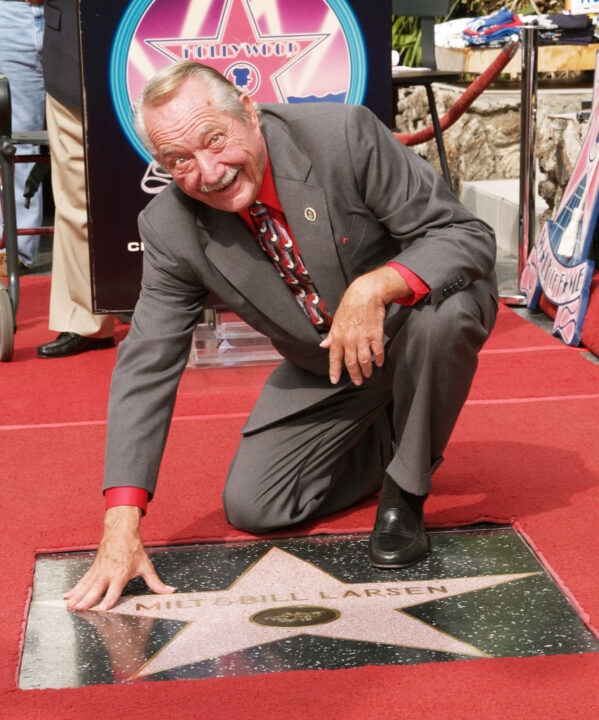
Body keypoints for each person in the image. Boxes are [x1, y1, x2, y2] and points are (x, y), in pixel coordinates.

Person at [65, 61, 497, 611]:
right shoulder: (170, 227)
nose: (210, 171)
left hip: (413, 323)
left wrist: (377, 286)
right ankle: (394, 430)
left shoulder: (343, 134)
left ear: (249, 111)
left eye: (215, 140)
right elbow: (146, 363)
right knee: (256, 507)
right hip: (329, 364)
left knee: (447, 315)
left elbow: (464, 234)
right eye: (180, 161)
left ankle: (406, 489)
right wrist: (121, 523)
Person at [37, 0, 114, 358]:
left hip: (164, 33)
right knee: (76, 194)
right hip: (73, 46)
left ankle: (200, 307)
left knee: (180, 182)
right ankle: (87, 318)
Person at [0, 0, 45, 277]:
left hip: (72, 11)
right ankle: (14, 248)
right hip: (9, 12)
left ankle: (103, 244)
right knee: (14, 137)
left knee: (90, 134)